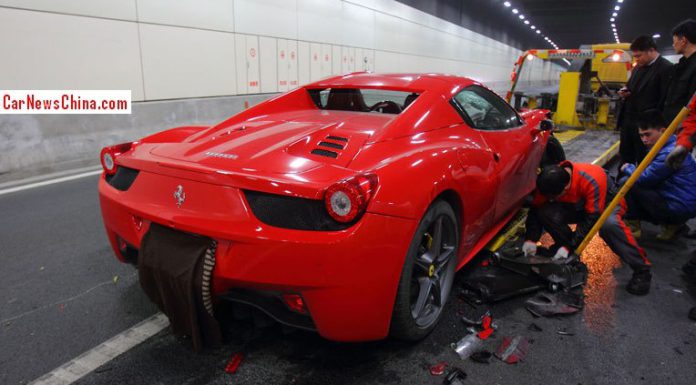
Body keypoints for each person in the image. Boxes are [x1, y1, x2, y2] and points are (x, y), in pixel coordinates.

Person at [522, 161, 652, 295]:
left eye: (553, 197)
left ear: (566, 188)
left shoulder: (592, 180)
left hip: (606, 202)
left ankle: (642, 269)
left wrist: (570, 247)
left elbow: (591, 219)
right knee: (545, 212)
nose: (550, 199)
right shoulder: (549, 181)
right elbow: (537, 207)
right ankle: (564, 249)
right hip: (579, 204)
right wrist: (530, 239)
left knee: (609, 225)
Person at [619, 110, 696, 240]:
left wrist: (627, 167)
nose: (644, 139)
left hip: (678, 207)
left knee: (627, 182)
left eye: (648, 135)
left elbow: (644, 178)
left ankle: (633, 226)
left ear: (662, 131)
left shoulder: (668, 153)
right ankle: (672, 225)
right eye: (641, 136)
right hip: (682, 204)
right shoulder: (673, 145)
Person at [617, 36, 672, 164]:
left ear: (651, 50)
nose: (636, 59)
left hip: (647, 125)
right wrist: (625, 91)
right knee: (625, 155)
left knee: (644, 159)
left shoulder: (666, 68)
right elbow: (631, 86)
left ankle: (642, 183)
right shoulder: (638, 67)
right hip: (629, 121)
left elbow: (665, 99)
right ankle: (623, 182)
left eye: (639, 55)